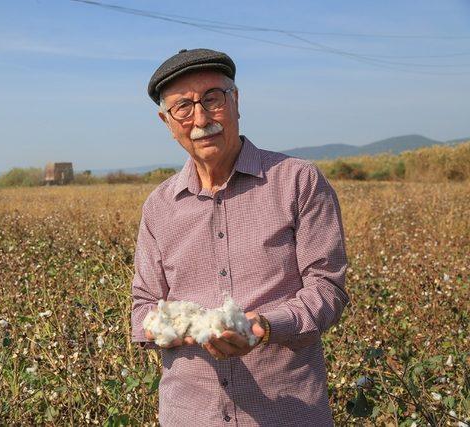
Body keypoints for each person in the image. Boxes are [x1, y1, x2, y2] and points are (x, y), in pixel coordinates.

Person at [130, 48, 349, 426]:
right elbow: (142, 308)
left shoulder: (298, 181)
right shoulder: (159, 206)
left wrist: (265, 326)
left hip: (289, 412)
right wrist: (180, 327)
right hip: (190, 414)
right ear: (166, 121)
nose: (200, 118)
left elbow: (327, 290)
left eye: (212, 99)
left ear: (235, 100)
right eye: (183, 107)